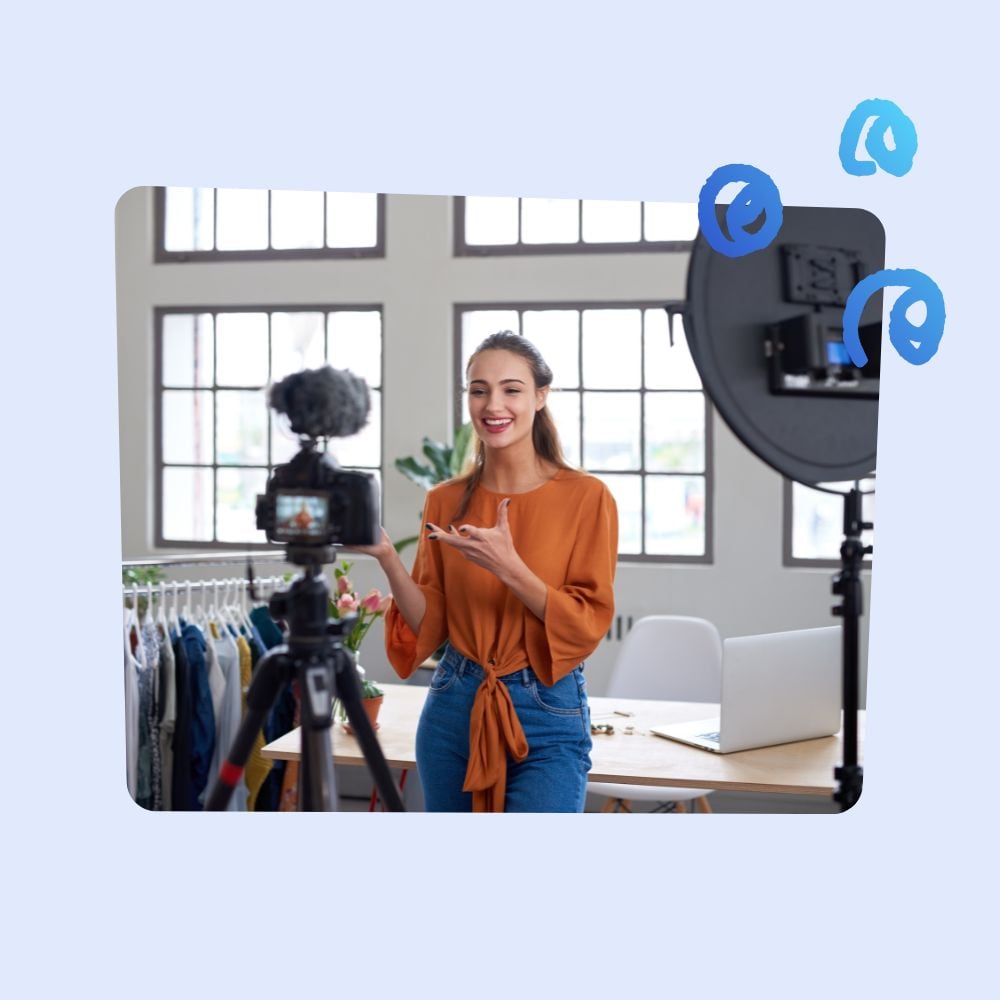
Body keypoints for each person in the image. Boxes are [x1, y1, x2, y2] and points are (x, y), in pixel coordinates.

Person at [355, 331, 618, 812]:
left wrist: (511, 568)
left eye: (511, 389)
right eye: (479, 389)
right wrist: (388, 557)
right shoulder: (445, 499)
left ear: (540, 396)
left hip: (547, 707)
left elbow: (586, 622)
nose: (493, 404)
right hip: (454, 703)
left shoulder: (587, 497)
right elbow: (428, 626)